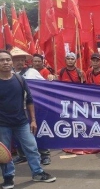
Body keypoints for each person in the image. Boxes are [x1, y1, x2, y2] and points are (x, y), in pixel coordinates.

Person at [0, 50, 56, 189]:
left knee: (32, 148)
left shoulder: (19, 79)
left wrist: (33, 120)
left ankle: (37, 173)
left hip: (22, 122)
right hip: (2, 125)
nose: (5, 62)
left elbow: (29, 100)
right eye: (2, 60)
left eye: (8, 59)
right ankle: (8, 178)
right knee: (5, 154)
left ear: (11, 62)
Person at [10, 48, 52, 166]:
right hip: (16, 108)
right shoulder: (9, 74)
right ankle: (22, 155)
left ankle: (44, 155)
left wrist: (51, 78)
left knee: (37, 130)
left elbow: (44, 86)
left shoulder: (32, 72)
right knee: (17, 132)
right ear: (12, 61)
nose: (19, 62)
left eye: (22, 59)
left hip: (33, 106)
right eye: (16, 59)